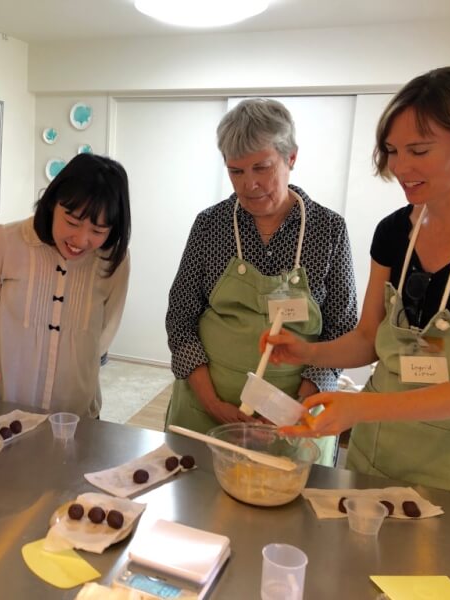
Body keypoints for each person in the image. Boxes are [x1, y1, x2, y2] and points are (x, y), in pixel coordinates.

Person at [267, 66, 450, 501]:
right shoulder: (395, 231)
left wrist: (362, 407)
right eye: (393, 151)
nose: (399, 167)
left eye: (418, 150)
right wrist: (308, 352)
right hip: (378, 448)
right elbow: (367, 339)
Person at [165, 98, 358, 466]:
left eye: (262, 167)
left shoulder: (327, 229)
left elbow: (342, 329)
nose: (249, 184)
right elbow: (181, 318)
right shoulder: (211, 225)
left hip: (292, 419)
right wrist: (212, 402)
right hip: (206, 410)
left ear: (291, 159)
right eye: (236, 171)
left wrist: (291, 408)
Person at [0, 153, 131, 417]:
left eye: (98, 231)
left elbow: (105, 329)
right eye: (72, 222)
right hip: (4, 410)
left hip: (76, 416)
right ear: (52, 203)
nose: (81, 239)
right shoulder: (5, 242)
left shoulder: (114, 260)